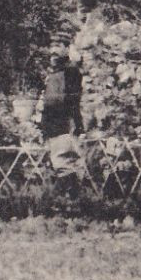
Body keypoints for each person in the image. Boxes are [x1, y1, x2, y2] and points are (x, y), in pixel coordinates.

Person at [40, 42, 86, 191]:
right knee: (61, 162)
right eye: (52, 48)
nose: (53, 51)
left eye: (58, 46)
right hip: (54, 123)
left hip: (64, 122)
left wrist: (77, 124)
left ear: (67, 49)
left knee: (66, 161)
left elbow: (73, 100)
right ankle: (69, 198)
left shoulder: (71, 72)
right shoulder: (55, 74)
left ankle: (72, 198)